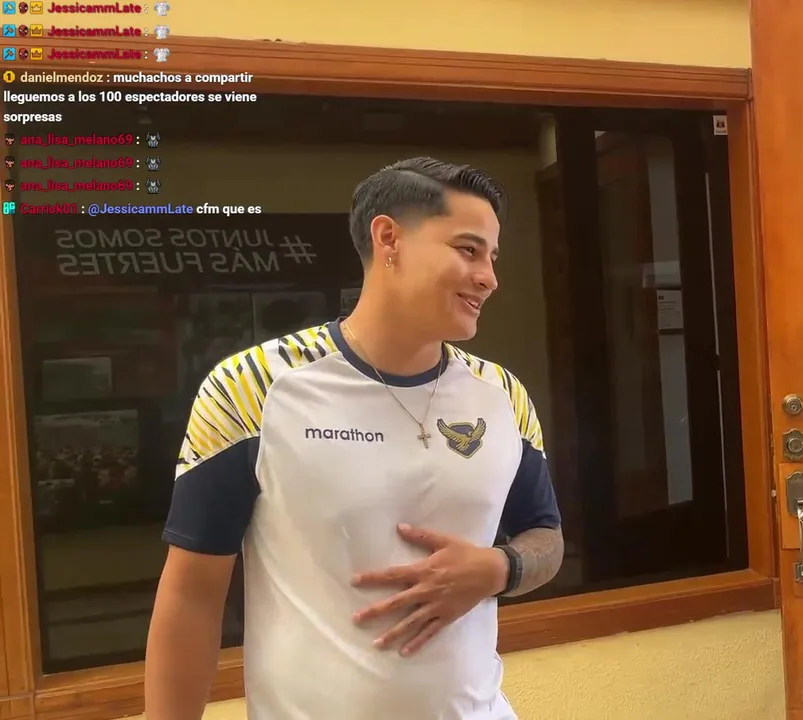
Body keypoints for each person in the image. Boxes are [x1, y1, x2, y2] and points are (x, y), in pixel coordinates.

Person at [144, 157, 564, 720]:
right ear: (389, 238)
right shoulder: (253, 388)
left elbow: (547, 536)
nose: (489, 277)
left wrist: (500, 568)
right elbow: (193, 594)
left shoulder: (502, 395)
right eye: (468, 250)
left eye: (492, 257)